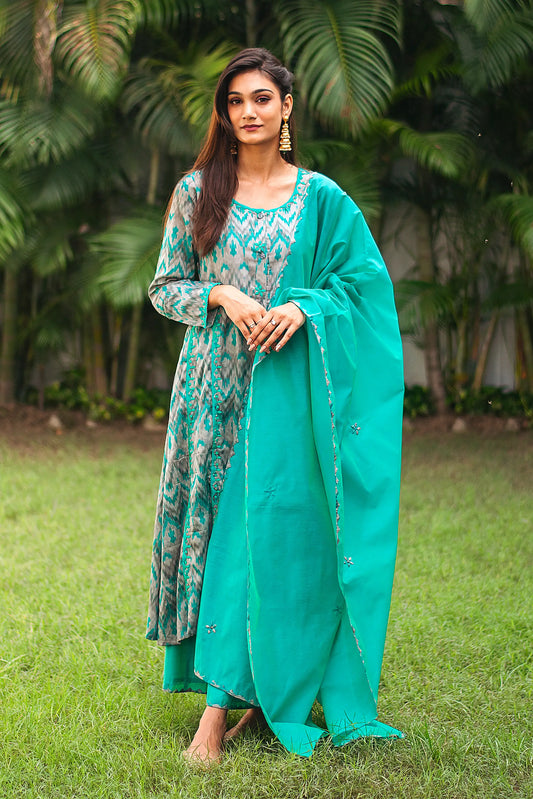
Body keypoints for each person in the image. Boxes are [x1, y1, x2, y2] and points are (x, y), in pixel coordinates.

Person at [146, 47, 404, 764]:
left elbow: (362, 285)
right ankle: (240, 693)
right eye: (235, 102)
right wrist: (221, 294)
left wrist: (305, 306)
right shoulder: (197, 191)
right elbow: (165, 287)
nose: (248, 112)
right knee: (215, 536)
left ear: (286, 107)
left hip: (285, 395)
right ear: (224, 114)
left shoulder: (320, 198)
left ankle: (221, 711)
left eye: (261, 98)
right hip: (209, 392)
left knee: (275, 533)